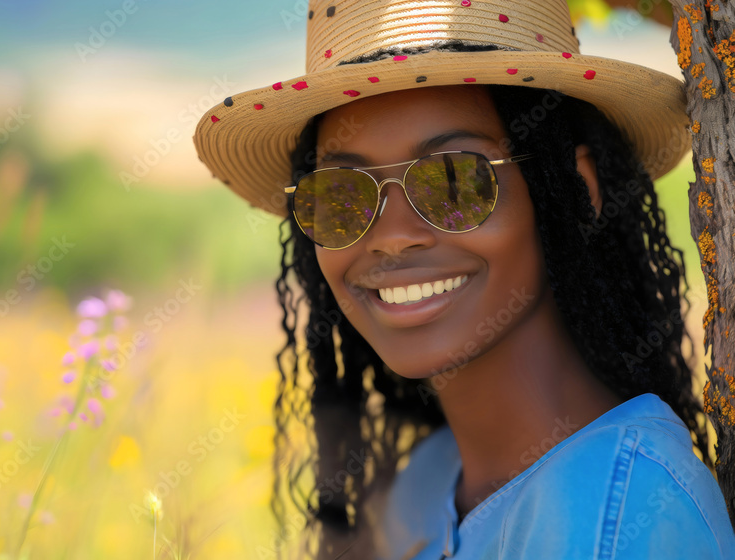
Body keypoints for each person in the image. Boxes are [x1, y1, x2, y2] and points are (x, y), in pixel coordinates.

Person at [192, 1, 735, 558]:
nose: (392, 235)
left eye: (453, 179)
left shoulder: (624, 510)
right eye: (342, 193)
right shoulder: (421, 486)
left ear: (577, 192)